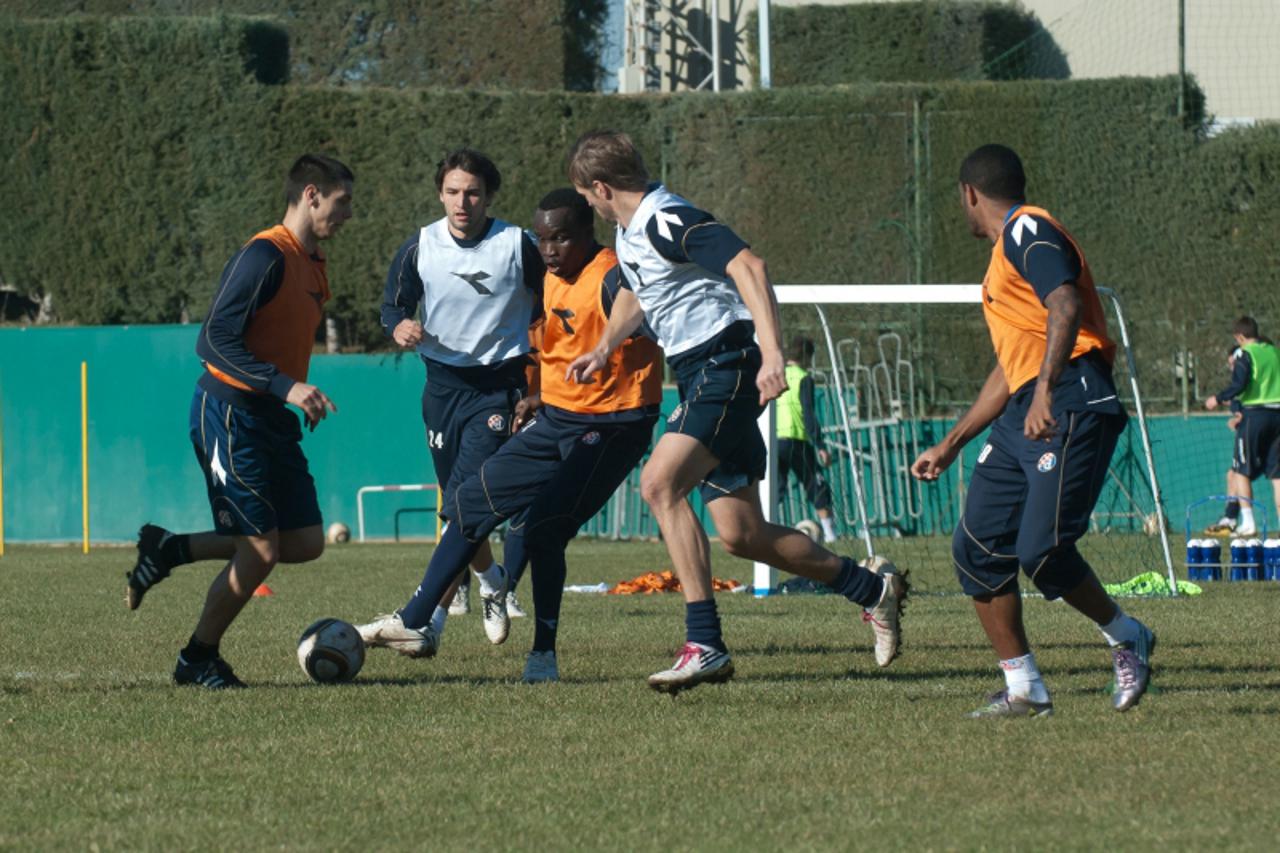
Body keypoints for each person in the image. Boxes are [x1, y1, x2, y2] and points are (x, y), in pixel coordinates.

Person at [564, 130, 908, 694]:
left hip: (726, 365)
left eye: (587, 197)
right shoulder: (630, 233)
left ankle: (706, 644)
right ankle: (871, 589)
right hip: (702, 374)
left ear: (601, 188)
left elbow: (749, 265)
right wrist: (603, 348)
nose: (589, 206)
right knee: (742, 535)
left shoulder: (666, 218)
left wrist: (774, 354)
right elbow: (636, 291)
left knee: (658, 485)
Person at [357, 188, 663, 683]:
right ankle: (414, 621)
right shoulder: (548, 277)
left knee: (543, 529)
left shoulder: (611, 275)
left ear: (588, 233)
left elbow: (645, 314)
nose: (549, 250)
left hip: (614, 424)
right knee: (467, 500)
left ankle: (543, 653)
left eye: (561, 238)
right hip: (559, 417)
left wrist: (619, 343)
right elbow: (554, 344)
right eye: (542, 239)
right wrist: (538, 393)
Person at [910, 143, 1155, 717]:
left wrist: (1044, 391)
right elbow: (1012, 366)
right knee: (976, 549)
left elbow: (1066, 302)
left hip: (1069, 398)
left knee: (1041, 549)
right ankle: (1024, 687)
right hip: (1030, 405)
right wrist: (950, 444)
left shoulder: (1027, 229)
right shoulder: (1004, 257)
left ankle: (1127, 635)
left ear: (969, 194)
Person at [124, 154, 354, 689]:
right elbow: (212, 341)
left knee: (305, 542)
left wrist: (293, 393)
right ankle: (197, 658)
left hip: (270, 417)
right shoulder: (264, 255)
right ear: (312, 194)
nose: (348, 215)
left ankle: (171, 549)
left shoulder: (313, 261)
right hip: (228, 413)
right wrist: (287, 385)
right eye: (343, 203)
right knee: (262, 550)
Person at [379, 148, 545, 649]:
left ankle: (429, 621)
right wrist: (399, 327)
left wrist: (541, 380)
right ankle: (493, 581)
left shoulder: (518, 244)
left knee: (462, 506)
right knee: (457, 508)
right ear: (440, 194)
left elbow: (554, 301)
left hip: (497, 390)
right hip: (441, 390)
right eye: (452, 191)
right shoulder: (420, 247)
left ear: (488, 196)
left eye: (472, 192)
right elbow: (393, 304)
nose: (462, 201)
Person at [1204, 317, 1280, 536]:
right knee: (1277, 476)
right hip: (1278, 415)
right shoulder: (1275, 352)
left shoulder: (1246, 354)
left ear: (1239, 337)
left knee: (1239, 470)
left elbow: (1239, 384)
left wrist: (1217, 399)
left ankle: (1248, 523)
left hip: (1255, 415)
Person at [777, 335, 839, 543]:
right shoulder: (804, 378)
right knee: (816, 483)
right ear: (807, 356)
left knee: (775, 491)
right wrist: (820, 445)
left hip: (774, 442)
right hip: (796, 440)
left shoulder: (776, 374)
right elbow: (808, 413)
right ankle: (830, 535)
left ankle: (767, 534)